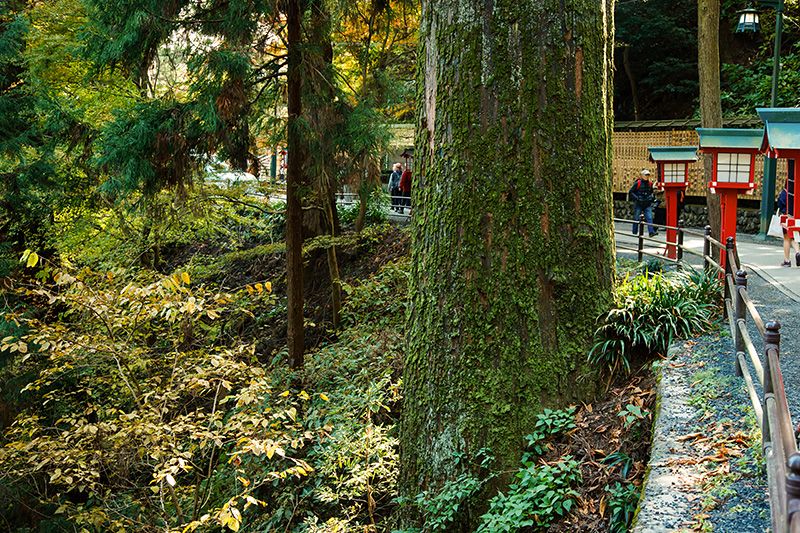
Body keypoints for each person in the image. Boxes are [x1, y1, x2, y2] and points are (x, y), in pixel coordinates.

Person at [628, 169, 657, 237]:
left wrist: (651, 198)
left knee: (649, 218)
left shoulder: (650, 184)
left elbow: (651, 192)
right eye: (646, 175)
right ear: (642, 175)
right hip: (639, 203)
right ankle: (634, 232)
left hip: (647, 203)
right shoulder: (637, 183)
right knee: (636, 218)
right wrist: (637, 198)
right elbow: (631, 192)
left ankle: (651, 232)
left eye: (648, 175)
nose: (647, 176)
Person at [777, 187, 800, 267]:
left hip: (787, 216)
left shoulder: (786, 191)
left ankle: (787, 260)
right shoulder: (797, 191)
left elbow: (780, 204)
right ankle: (798, 253)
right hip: (796, 217)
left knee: (786, 238)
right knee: (793, 237)